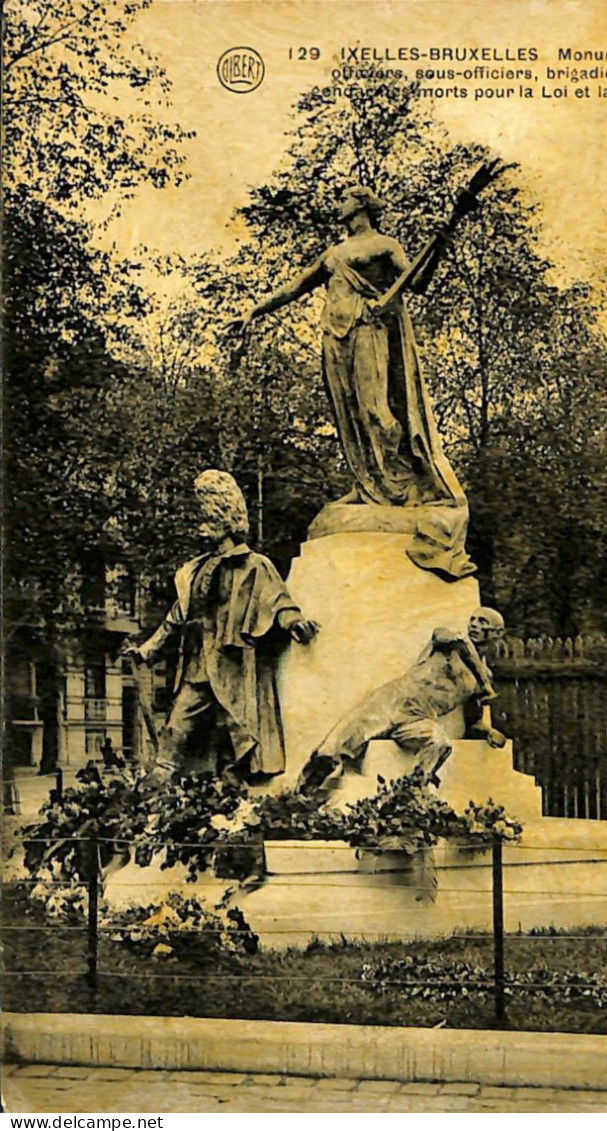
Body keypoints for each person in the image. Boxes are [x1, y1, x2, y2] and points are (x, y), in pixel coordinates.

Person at [232, 185, 475, 581]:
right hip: (335, 335)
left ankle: (399, 487)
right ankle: (368, 487)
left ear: (361, 205)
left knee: (376, 412)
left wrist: (440, 247)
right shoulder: (333, 254)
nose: (338, 202)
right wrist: (254, 312)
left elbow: (416, 283)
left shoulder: (383, 245)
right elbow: (296, 286)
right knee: (351, 419)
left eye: (345, 196)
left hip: (368, 330)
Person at [123, 470, 318, 780]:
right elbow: (178, 615)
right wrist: (148, 650)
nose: (200, 526)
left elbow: (277, 599)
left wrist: (294, 622)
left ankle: (234, 794)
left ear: (223, 518)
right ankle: (157, 790)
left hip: (234, 667)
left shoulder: (254, 564)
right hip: (198, 666)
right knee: (176, 727)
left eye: (206, 517)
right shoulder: (195, 570)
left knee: (236, 733)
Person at [296, 606, 507, 798]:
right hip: (392, 701)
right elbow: (454, 640)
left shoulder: (481, 680)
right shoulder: (449, 639)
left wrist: (488, 731)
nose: (475, 625)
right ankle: (300, 797)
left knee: (439, 743)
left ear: (497, 633)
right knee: (332, 749)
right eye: (473, 619)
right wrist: (484, 681)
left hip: (418, 717)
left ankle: (412, 794)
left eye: (483, 622)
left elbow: (473, 720)